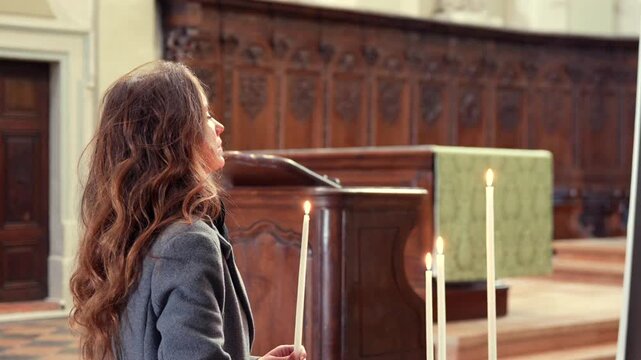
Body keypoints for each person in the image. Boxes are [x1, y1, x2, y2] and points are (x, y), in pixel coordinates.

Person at [69, 61, 306, 360]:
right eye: (205, 115)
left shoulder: (133, 230)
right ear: (176, 134)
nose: (219, 126)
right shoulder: (188, 242)